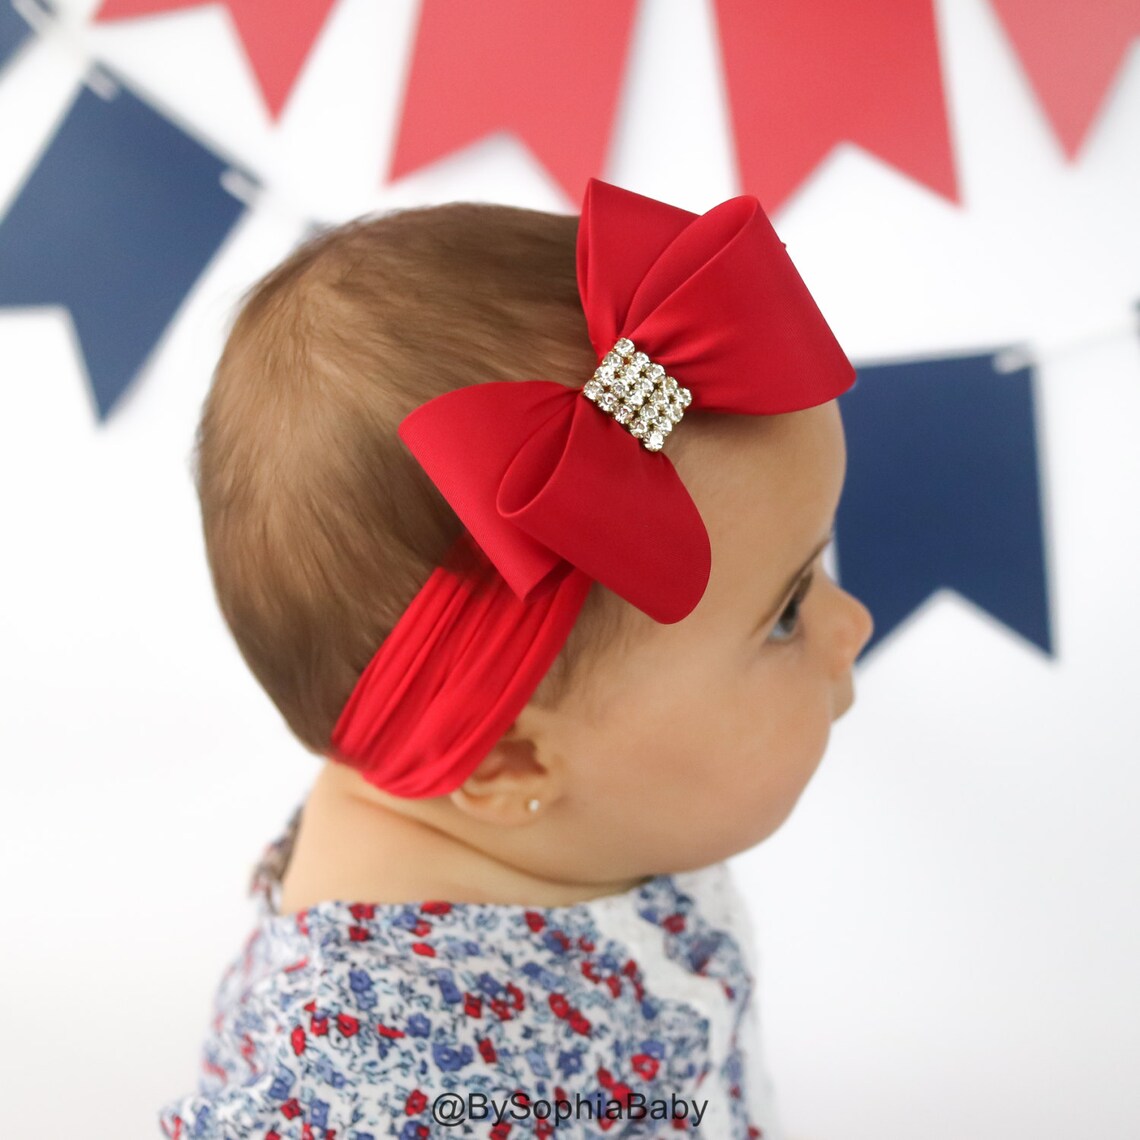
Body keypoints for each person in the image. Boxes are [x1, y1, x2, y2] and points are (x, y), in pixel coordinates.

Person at [159, 179, 873, 1139]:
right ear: (509, 762)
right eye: (786, 612)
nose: (855, 624)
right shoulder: (368, 1083)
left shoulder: (577, 818)